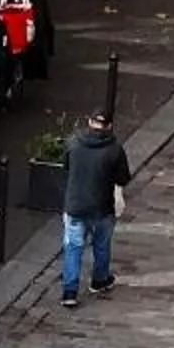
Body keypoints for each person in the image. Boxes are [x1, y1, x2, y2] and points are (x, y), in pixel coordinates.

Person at [59, 110, 134, 308]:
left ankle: (69, 291)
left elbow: (65, 166)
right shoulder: (115, 150)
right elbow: (123, 178)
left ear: (90, 122)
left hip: (75, 204)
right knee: (101, 245)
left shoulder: (74, 143)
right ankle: (99, 279)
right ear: (109, 126)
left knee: (73, 248)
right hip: (102, 206)